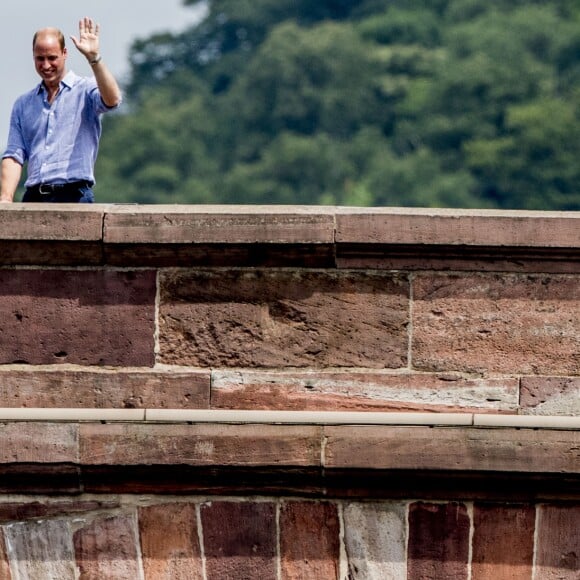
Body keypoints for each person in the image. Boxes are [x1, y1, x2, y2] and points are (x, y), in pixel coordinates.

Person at [0, 17, 122, 203]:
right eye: (40, 59)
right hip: (34, 196)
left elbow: (112, 100)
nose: (46, 65)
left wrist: (94, 58)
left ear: (65, 53)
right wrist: (6, 198)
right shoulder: (23, 104)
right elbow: (14, 155)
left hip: (74, 194)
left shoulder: (84, 90)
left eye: (52, 58)